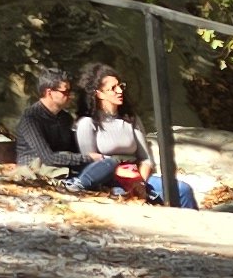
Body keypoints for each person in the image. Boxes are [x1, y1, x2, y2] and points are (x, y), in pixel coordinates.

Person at [75, 64, 198, 207]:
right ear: (99, 94)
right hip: (108, 181)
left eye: (121, 86)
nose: (120, 91)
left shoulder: (131, 119)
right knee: (124, 198)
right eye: (113, 88)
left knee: (183, 190)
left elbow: (146, 159)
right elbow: (91, 164)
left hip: (137, 176)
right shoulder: (87, 123)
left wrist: (140, 183)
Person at [12, 70, 86, 179]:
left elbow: (72, 149)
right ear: (49, 93)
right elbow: (48, 158)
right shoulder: (31, 118)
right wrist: (87, 158)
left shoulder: (65, 118)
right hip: (34, 171)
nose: (70, 96)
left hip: (62, 168)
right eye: (65, 91)